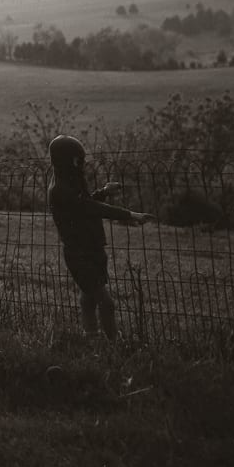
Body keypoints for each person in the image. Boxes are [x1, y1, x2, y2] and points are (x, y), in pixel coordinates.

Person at [46, 134, 155, 340]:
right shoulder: (60, 190)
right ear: (67, 161)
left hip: (91, 248)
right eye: (78, 159)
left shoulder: (69, 184)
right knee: (106, 302)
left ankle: (91, 337)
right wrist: (131, 214)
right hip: (79, 253)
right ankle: (115, 343)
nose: (82, 163)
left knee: (89, 298)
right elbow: (89, 207)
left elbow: (84, 204)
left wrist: (104, 191)